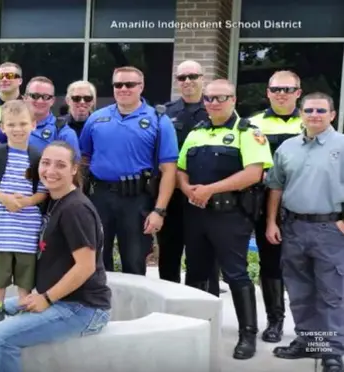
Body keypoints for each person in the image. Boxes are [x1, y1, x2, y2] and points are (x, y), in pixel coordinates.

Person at [0, 141, 111, 372]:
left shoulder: (75, 209)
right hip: (62, 300)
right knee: (1, 308)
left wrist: (46, 299)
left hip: (83, 308)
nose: (50, 171)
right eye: (46, 163)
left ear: (74, 169)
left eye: (60, 165)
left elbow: (85, 267)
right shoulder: (55, 201)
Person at [177, 79, 273, 360]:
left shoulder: (249, 132)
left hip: (230, 216)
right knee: (196, 272)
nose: (214, 103)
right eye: (209, 99)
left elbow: (253, 174)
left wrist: (209, 190)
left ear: (234, 99)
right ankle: (197, 328)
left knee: (236, 274)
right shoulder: (196, 132)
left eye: (221, 98)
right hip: (196, 214)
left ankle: (247, 335)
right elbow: (181, 168)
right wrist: (186, 188)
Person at [265, 92, 344, 371]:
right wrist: (271, 222)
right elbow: (275, 186)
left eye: (321, 110)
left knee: (331, 292)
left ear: (332, 115)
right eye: (309, 110)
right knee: (300, 290)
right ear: (301, 114)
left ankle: (333, 351)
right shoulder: (287, 147)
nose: (314, 115)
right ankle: (309, 342)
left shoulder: (342, 145)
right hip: (294, 228)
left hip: (330, 229)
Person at [79, 66, 178, 275]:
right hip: (100, 197)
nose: (123, 89)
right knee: (95, 259)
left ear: (141, 87)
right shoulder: (96, 118)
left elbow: (169, 170)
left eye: (130, 84)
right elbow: (83, 159)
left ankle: (133, 309)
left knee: (134, 261)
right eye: (118, 84)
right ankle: (99, 306)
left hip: (137, 199)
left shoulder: (159, 121)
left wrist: (159, 211)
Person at [0, 100, 48, 327]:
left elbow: (44, 192)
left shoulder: (38, 158)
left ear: (33, 125)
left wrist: (27, 201)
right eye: (12, 124)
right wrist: (5, 198)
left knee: (26, 272)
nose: (18, 129)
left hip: (27, 230)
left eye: (23, 123)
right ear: (3, 127)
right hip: (0, 228)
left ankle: (22, 305)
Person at [248, 70, 304, 343]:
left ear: (298, 93)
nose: (281, 93)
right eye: (276, 89)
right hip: (264, 203)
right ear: (268, 92)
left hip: (303, 204)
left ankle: (308, 331)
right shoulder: (252, 123)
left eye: (288, 89)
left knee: (305, 267)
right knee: (270, 263)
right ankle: (275, 322)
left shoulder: (312, 121)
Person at [159, 60, 223, 296]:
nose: (187, 82)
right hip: (173, 196)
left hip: (206, 196)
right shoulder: (164, 113)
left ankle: (206, 307)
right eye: (182, 77)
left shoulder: (216, 110)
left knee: (206, 257)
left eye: (193, 76)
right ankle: (169, 308)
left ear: (202, 78)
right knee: (169, 254)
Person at [0, 76, 80, 156]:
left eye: (46, 97)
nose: (40, 101)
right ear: (25, 98)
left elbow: (73, 167)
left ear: (52, 101)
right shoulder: (9, 128)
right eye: (35, 96)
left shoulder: (63, 132)